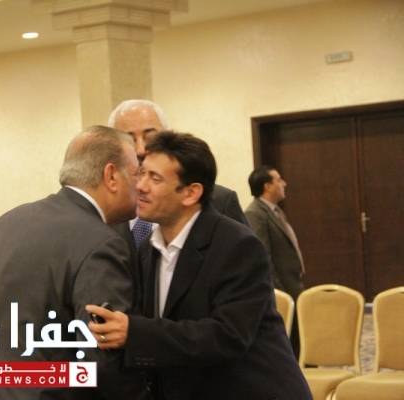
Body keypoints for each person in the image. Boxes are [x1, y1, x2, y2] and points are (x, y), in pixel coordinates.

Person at [0, 126, 150, 400]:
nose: (141, 186)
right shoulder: (103, 242)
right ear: (111, 176)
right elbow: (102, 360)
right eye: (136, 173)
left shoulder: (7, 223)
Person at [87, 132, 311, 400]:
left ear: (191, 193)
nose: (141, 186)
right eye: (141, 173)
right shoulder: (147, 249)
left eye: (155, 178)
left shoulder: (237, 246)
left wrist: (134, 332)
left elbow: (227, 336)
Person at [108, 99, 248, 249]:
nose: (140, 150)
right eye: (129, 140)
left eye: (150, 138)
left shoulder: (221, 201)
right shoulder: (107, 206)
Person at [245, 165, 305, 355]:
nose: (284, 183)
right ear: (267, 186)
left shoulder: (275, 211)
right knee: (289, 344)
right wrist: (278, 291)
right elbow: (262, 257)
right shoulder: (255, 214)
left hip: (292, 285)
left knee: (299, 340)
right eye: (279, 180)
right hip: (282, 290)